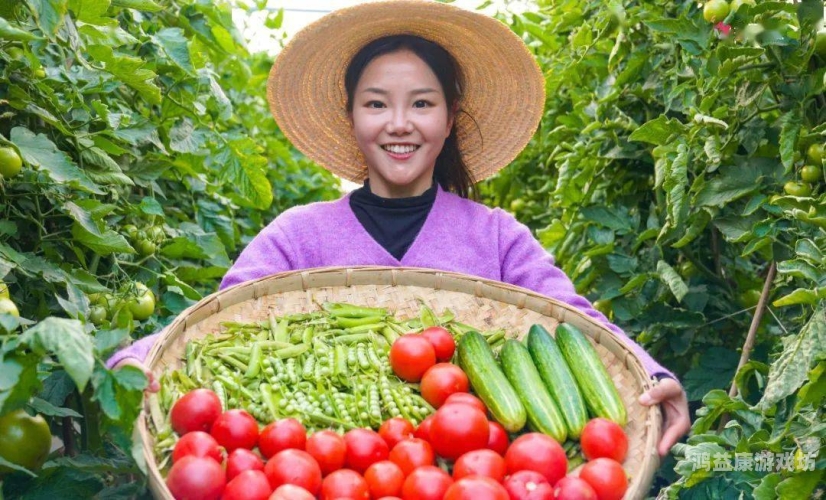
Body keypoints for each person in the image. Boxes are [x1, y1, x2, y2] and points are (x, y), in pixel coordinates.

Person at [109, 0, 690, 457]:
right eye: (376, 104)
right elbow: (214, 322)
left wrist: (650, 373)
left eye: (421, 104)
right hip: (326, 465)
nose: (399, 124)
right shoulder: (299, 235)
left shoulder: (495, 236)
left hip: (471, 468)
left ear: (450, 118)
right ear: (350, 117)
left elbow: (574, 320)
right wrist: (137, 361)